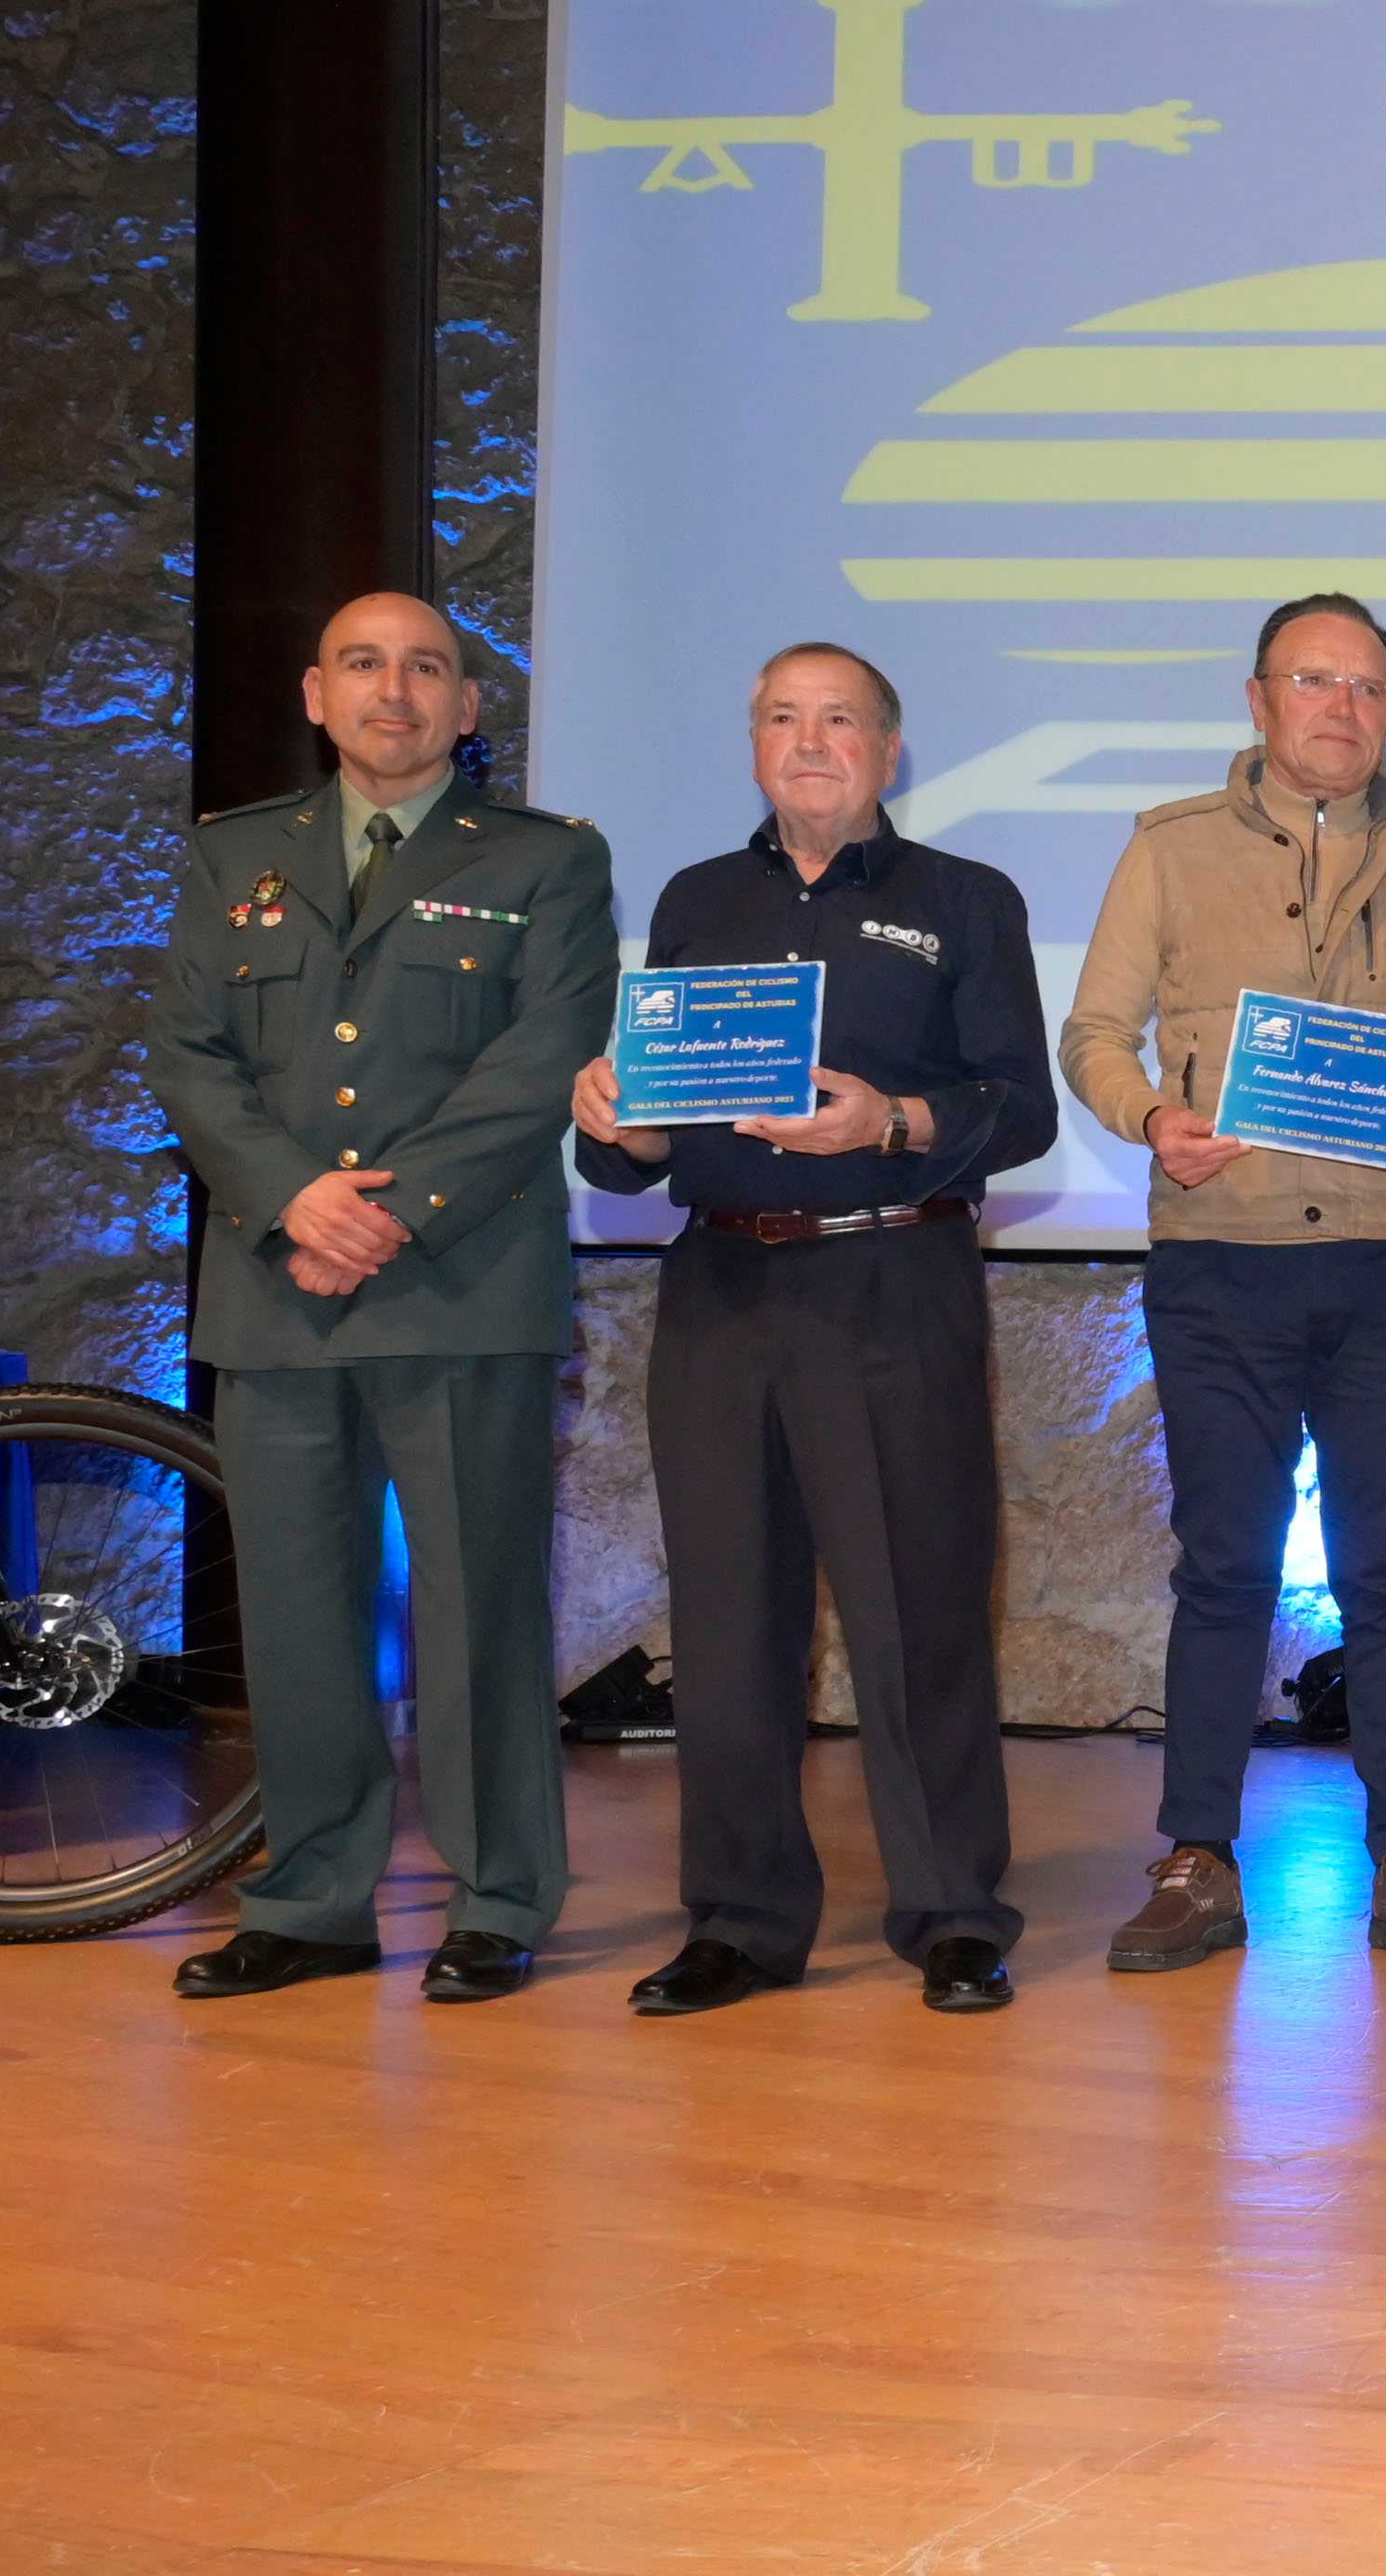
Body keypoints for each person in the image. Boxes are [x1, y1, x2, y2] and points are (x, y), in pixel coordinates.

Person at [572, 642, 1061, 2017]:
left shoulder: (962, 900)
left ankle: (954, 1911)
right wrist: (616, 1122)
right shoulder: (693, 900)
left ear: (888, 750)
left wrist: (889, 1122)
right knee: (727, 1623)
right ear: (751, 748)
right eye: (782, 717)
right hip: (720, 1293)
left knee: (921, 1615)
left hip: (891, 1285)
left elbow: (1018, 1111)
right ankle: (739, 1919)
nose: (810, 739)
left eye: (839, 718)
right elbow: (636, 1154)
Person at [151, 592, 619, 2004]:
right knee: (296, 1609)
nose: (395, 691)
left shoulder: (547, 861)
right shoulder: (230, 855)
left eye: (427, 670)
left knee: (479, 1609)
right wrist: (298, 1200)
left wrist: (386, 1212)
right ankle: (311, 1899)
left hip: (462, 1286)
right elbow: (187, 1052)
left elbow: (544, 1058)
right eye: (364, 663)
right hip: (277, 1287)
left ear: (470, 708)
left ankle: (498, 1897)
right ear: (316, 692)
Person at [1060, 592, 1386, 1974]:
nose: (1342, 708)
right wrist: (1153, 1117)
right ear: (1258, 700)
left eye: (1368, 687)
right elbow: (1093, 1030)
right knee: (1223, 1568)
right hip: (1224, 1261)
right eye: (1314, 681)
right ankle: (1199, 1857)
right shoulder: (1166, 850)